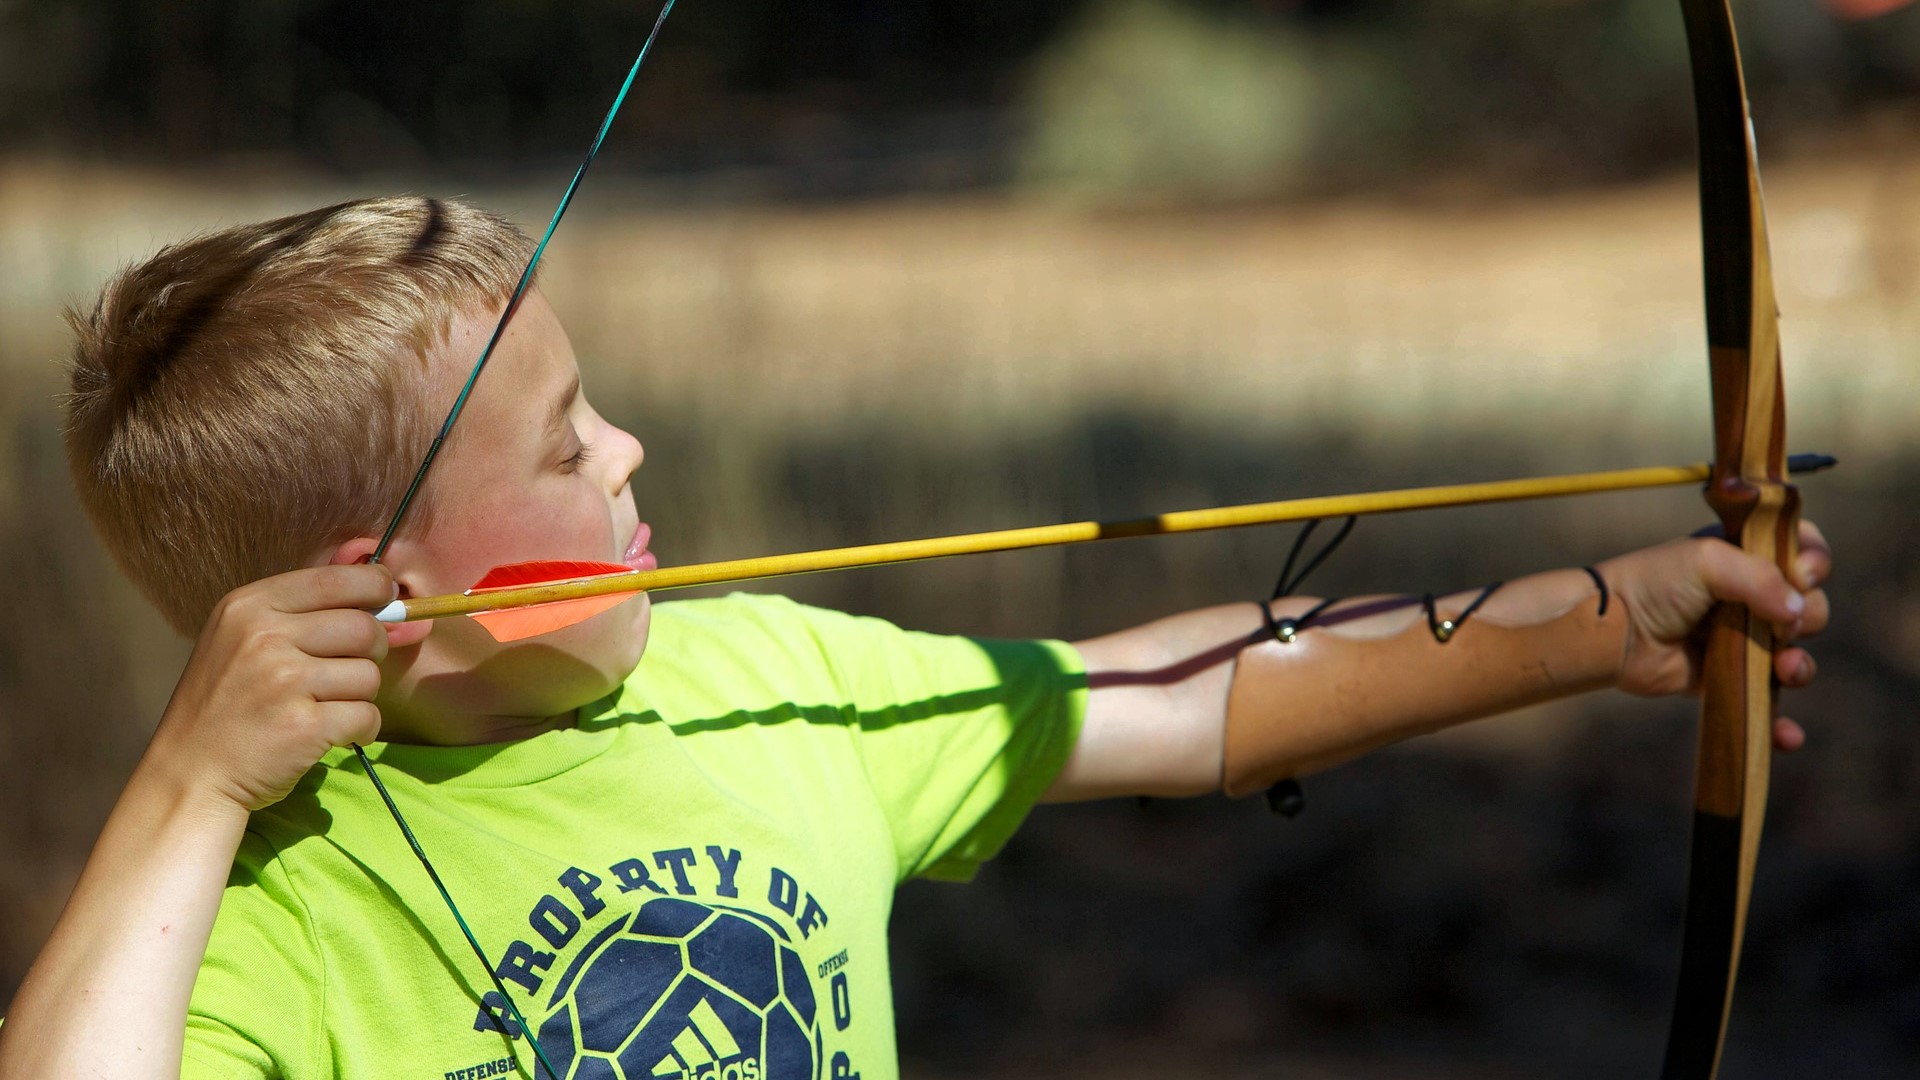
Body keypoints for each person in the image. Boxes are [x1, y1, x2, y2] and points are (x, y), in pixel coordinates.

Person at [0, 197, 1829, 1080]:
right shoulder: (276, 914)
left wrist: (1597, 619)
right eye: (565, 446)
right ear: (381, 591)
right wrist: (187, 784)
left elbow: (1162, 702)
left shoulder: (758, 690)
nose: (630, 452)